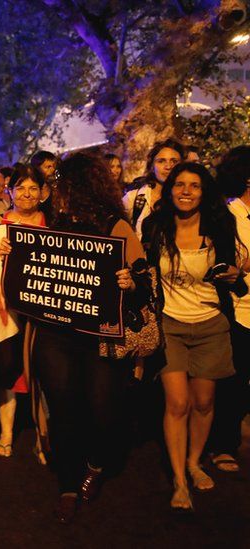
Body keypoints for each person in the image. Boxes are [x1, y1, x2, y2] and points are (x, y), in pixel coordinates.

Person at [0, 153, 148, 524]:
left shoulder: (117, 226)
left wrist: (130, 282)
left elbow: (145, 280)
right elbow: (32, 268)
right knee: (63, 408)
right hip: (56, 333)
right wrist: (10, 253)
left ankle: (96, 465)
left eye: (63, 182)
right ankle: (68, 482)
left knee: (102, 408)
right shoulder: (55, 223)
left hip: (100, 337)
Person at [140, 162, 248, 511]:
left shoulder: (219, 224)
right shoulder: (157, 227)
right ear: (170, 189)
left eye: (195, 185)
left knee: (203, 403)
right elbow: (143, 273)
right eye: (180, 184)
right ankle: (179, 480)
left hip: (211, 325)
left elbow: (235, 275)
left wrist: (234, 275)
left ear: (204, 192)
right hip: (169, 324)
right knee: (178, 403)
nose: (186, 191)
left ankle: (194, 461)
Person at [0, 165, 46, 459]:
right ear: (10, 191)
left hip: (44, 313)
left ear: (43, 193)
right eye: (20, 188)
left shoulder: (54, 224)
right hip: (6, 310)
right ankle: (6, 433)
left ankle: (43, 437)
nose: (27, 194)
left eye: (33, 188)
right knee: (8, 370)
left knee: (44, 373)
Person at [207, 146, 250, 474]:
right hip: (240, 309)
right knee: (234, 381)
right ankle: (223, 444)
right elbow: (226, 262)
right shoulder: (228, 215)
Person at [124, 139, 186, 236]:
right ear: (152, 166)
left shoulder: (187, 198)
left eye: (174, 161)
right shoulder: (134, 197)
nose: (168, 166)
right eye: (161, 161)